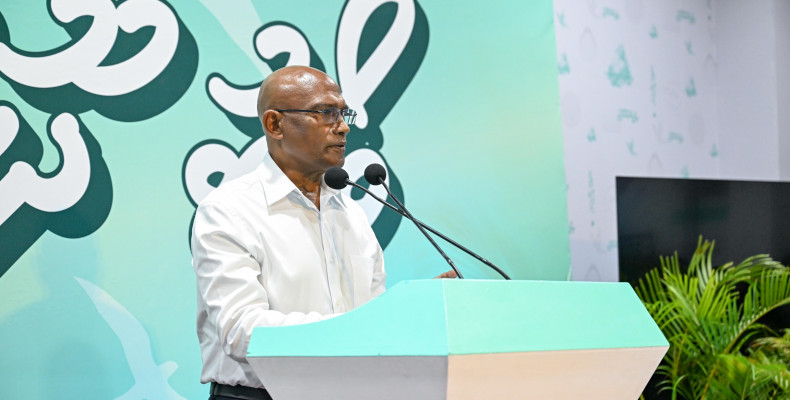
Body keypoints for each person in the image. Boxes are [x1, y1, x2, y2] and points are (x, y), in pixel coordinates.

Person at [190, 66, 385, 400]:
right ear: (274, 124)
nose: (343, 126)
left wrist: (412, 308)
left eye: (343, 113)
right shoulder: (228, 210)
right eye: (326, 113)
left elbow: (373, 317)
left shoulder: (350, 213)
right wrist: (345, 332)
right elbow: (242, 330)